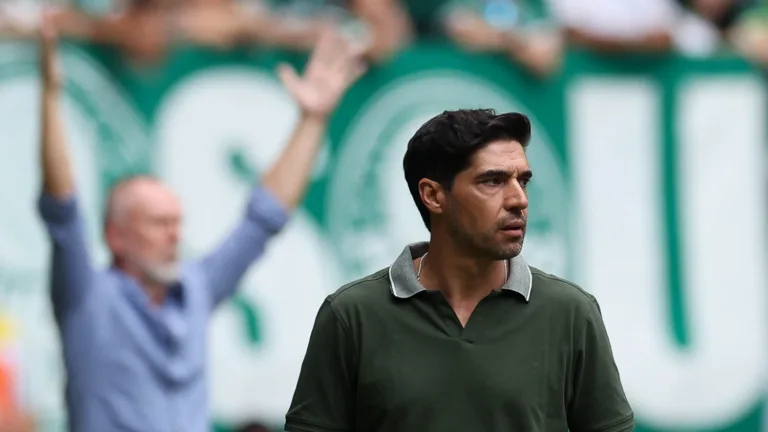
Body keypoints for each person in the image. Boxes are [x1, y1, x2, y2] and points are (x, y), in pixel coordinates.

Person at [36, 11, 366, 432]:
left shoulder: (195, 288)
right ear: (115, 236)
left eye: (177, 222)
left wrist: (312, 119)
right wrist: (49, 95)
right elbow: (62, 210)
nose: (175, 235)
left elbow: (263, 219)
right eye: (158, 223)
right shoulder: (87, 299)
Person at [286, 109, 634, 431]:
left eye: (522, 181)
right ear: (433, 195)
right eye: (493, 181)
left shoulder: (571, 313)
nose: (519, 199)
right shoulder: (351, 316)